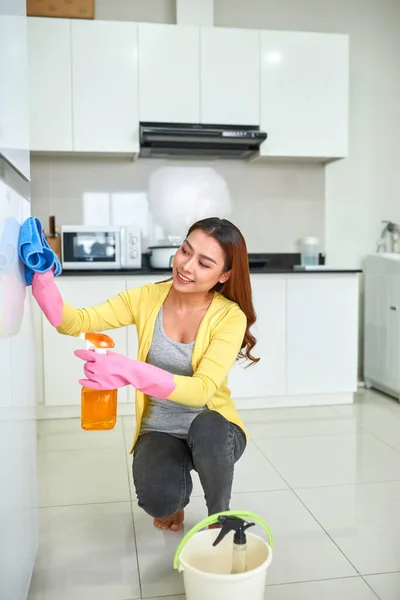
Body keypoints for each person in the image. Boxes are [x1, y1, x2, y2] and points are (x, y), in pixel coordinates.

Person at [32, 217, 259, 532]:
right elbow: (74, 321)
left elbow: (202, 390)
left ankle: (218, 517)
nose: (187, 266)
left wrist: (129, 370)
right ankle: (176, 500)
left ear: (224, 275)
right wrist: (40, 277)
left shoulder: (228, 316)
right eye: (185, 251)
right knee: (158, 501)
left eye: (204, 263)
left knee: (208, 427)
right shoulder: (146, 298)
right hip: (160, 430)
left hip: (217, 432)